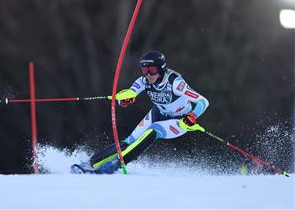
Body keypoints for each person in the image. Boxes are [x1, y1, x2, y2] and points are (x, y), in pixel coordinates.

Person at [72, 50, 209, 174]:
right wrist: (125, 100)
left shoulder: (175, 83)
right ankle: (90, 163)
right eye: (145, 70)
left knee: (154, 130)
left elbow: (203, 101)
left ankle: (112, 166)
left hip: (180, 120)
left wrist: (193, 115)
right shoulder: (143, 81)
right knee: (130, 141)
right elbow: (130, 93)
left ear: (161, 69)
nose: (148, 75)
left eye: (152, 70)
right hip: (158, 113)